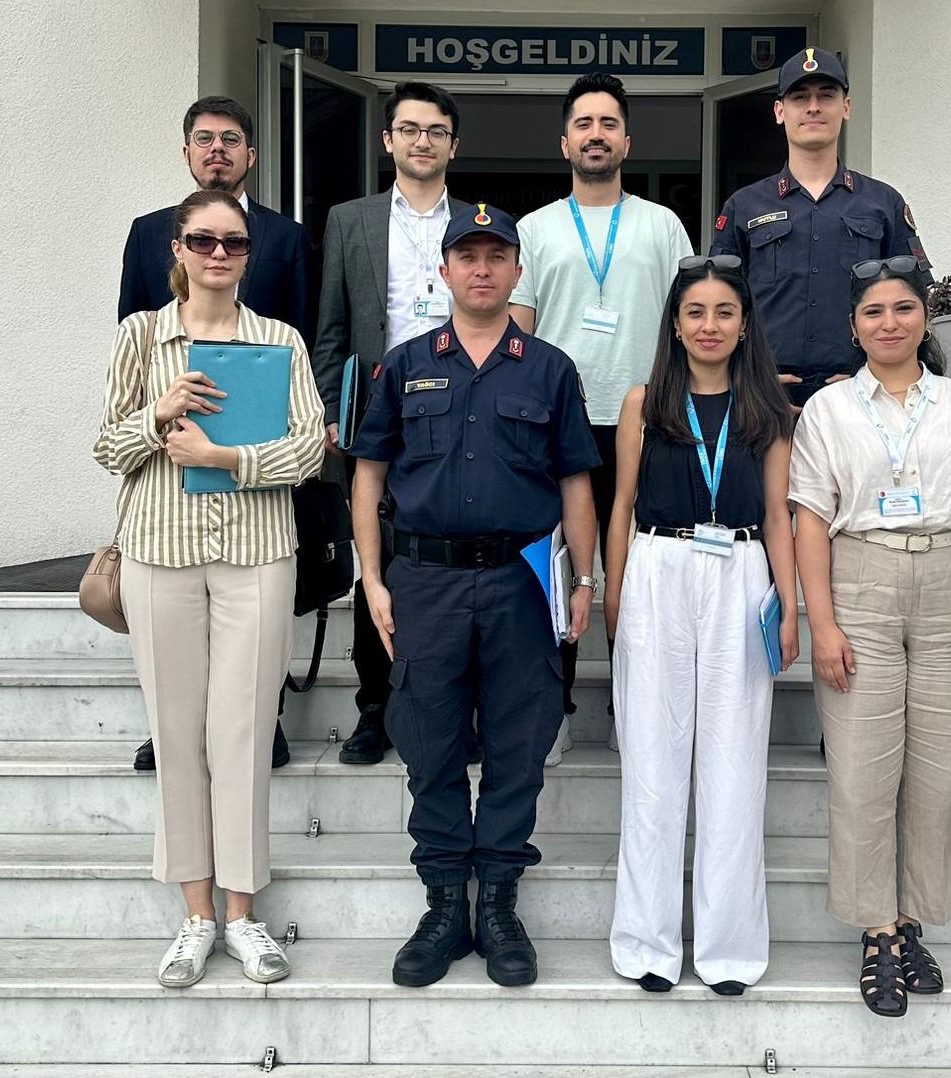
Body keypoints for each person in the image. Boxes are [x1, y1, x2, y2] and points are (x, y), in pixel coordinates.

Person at [350, 204, 599, 989]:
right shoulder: (403, 362)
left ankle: (496, 901)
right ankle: (441, 906)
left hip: (522, 578)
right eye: (468, 255)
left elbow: (574, 482)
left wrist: (584, 581)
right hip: (424, 580)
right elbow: (368, 475)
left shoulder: (550, 368)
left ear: (517, 271)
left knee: (519, 744)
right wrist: (372, 578)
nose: (482, 268)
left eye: (497, 255)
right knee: (427, 740)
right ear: (444, 270)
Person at [93, 189, 326, 988]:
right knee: (180, 737)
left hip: (258, 553)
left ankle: (243, 915)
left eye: (233, 242)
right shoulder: (141, 336)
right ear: (179, 249)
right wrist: (159, 414)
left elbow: (306, 454)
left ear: (248, 253)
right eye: (203, 240)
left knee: (243, 737)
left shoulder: (280, 341)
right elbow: (105, 449)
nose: (218, 254)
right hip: (160, 550)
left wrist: (227, 459)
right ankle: (196, 916)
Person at [788, 255, 951, 1018]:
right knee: (861, 771)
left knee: (936, 771)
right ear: (852, 327)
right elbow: (810, 521)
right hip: (862, 581)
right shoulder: (827, 411)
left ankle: (915, 918)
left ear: (923, 318)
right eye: (871, 312)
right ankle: (876, 931)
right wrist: (820, 621)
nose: (888, 323)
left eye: (901, 309)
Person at [605, 255, 799, 997]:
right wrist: (615, 596)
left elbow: (780, 516)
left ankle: (728, 950)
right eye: (695, 312)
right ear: (675, 325)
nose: (709, 325)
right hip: (659, 568)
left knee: (733, 766)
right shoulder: (643, 403)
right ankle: (646, 943)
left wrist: (787, 605)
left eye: (723, 312)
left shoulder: (768, 413)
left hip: (741, 575)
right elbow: (621, 504)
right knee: (652, 764)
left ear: (744, 324)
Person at [119, 94, 312, 773]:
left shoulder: (284, 237)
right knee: (168, 602)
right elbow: (131, 333)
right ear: (187, 153)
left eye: (231, 139)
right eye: (204, 139)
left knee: (257, 588)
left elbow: (298, 332)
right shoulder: (146, 232)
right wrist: (156, 415)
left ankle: (268, 719)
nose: (218, 150)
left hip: (255, 428)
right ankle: (167, 729)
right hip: (170, 451)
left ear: (251, 156)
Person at [510, 72, 694, 762]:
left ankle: (633, 711)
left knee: (638, 572)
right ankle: (552, 710)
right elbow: (518, 333)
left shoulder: (661, 225)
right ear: (564, 142)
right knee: (556, 571)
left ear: (626, 139)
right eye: (583, 123)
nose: (595, 133)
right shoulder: (533, 229)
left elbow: (688, 322)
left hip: (645, 420)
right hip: (555, 424)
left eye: (607, 123)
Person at [313, 82, 475, 766]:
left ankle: (455, 706)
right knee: (372, 562)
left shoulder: (480, 218)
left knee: (456, 562)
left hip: (463, 415)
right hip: (380, 411)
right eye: (409, 129)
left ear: (452, 144)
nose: (421, 141)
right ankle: (374, 708)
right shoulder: (349, 221)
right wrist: (328, 408)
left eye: (435, 131)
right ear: (388, 141)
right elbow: (331, 327)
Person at [710, 48, 931, 409]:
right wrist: (742, 374)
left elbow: (913, 299)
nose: (813, 106)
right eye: (800, 97)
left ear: (846, 107)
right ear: (780, 112)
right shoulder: (744, 206)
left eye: (826, 95)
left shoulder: (882, 202)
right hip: (762, 397)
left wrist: (875, 372)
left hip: (862, 396)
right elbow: (718, 302)